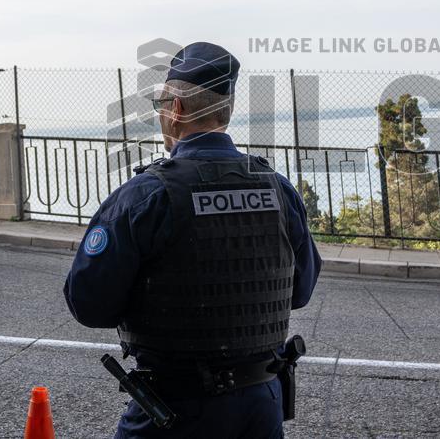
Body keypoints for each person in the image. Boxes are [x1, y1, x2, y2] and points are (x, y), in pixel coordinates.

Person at [64, 41, 321, 438]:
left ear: (177, 109)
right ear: (227, 109)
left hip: (175, 409)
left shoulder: (147, 195)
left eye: (160, 106)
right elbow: (300, 292)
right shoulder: (278, 190)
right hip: (261, 405)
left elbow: (90, 305)